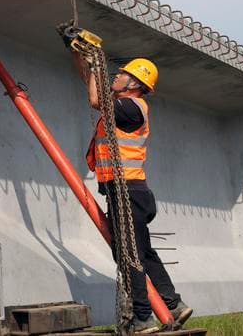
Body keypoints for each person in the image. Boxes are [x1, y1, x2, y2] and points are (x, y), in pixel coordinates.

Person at [69, 52, 192, 334]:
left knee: (129, 255)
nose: (116, 76)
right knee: (143, 252)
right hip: (130, 191)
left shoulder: (132, 107)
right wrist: (78, 55)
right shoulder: (123, 105)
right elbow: (93, 87)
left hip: (128, 192)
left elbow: (95, 99)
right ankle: (173, 303)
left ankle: (143, 316)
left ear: (135, 84)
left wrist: (97, 66)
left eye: (122, 74)